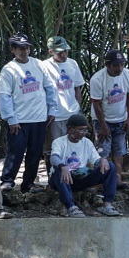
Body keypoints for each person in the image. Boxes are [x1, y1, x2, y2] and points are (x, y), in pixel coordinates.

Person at [0, 33, 57, 193]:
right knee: (15, 151)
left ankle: (28, 183)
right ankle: (8, 181)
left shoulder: (38, 64)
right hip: (19, 119)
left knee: (35, 153)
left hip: (39, 118)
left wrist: (52, 109)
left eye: (26, 48)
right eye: (20, 48)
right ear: (12, 49)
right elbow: (4, 96)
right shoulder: (9, 69)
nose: (24, 51)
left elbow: (49, 88)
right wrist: (11, 118)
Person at [48, 114, 121, 218]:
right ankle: (70, 206)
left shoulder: (87, 142)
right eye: (80, 130)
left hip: (79, 177)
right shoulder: (59, 142)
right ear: (70, 129)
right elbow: (54, 158)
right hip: (62, 179)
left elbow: (96, 159)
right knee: (58, 169)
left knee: (110, 167)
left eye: (85, 130)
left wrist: (102, 160)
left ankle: (107, 204)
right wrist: (62, 166)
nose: (83, 133)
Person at [89, 49, 129, 189]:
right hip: (102, 119)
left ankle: (118, 179)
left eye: (122, 65)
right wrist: (103, 126)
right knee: (103, 151)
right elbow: (96, 104)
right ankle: (102, 181)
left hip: (121, 119)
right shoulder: (97, 79)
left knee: (119, 150)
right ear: (108, 65)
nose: (119, 68)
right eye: (116, 65)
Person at [43, 36, 85, 169]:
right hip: (55, 116)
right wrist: (47, 111)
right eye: (59, 52)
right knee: (52, 149)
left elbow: (77, 87)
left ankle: (74, 178)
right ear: (51, 52)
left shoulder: (72, 64)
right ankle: (53, 180)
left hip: (72, 113)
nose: (63, 54)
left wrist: (77, 106)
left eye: (65, 51)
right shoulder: (44, 66)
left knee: (74, 147)